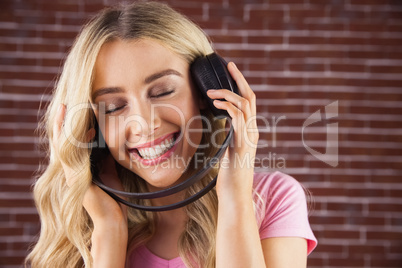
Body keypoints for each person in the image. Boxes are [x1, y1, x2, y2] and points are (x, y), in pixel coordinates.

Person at [26, 1, 317, 267]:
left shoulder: (272, 200)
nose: (143, 123)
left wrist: (234, 198)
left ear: (208, 91)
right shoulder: (84, 227)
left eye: (163, 92)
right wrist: (110, 231)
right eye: (114, 107)